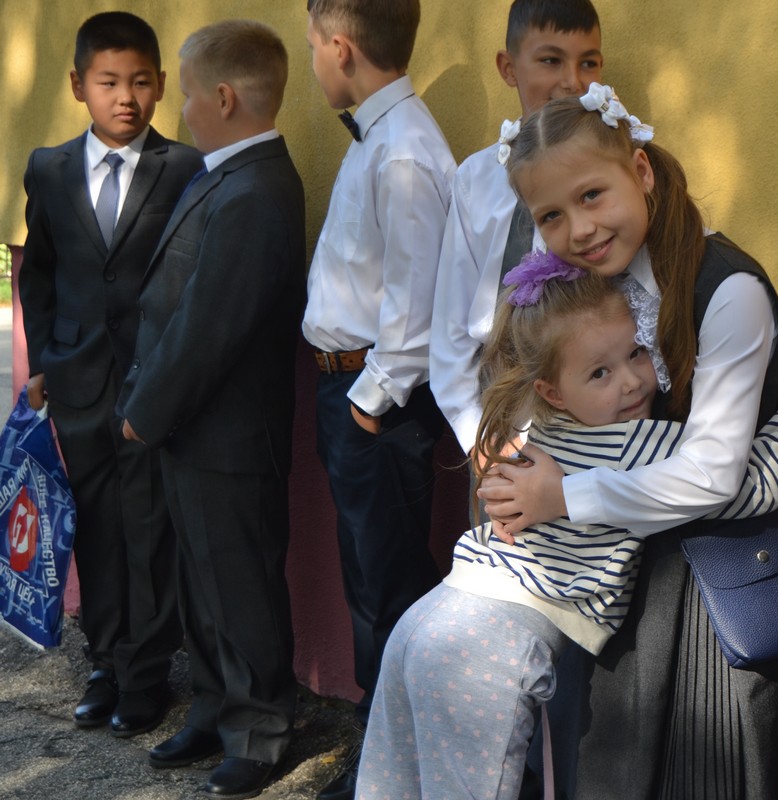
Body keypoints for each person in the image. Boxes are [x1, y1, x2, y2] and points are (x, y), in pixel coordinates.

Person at [479, 84, 778, 798]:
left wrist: (564, 496)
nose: (579, 229)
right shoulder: (581, 287)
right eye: (551, 215)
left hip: (714, 591)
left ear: (640, 171)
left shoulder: (725, 290)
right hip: (615, 587)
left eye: (592, 195)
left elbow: (712, 474)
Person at [359, 259, 778, 799]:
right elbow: (755, 485)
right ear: (553, 391)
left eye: (636, 352)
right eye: (600, 373)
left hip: (432, 618)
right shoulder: (637, 443)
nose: (630, 381)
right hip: (487, 646)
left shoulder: (541, 429)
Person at [115, 19, 305, 799]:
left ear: (224, 98)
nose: (181, 108)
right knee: (203, 582)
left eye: (188, 94)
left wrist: (147, 408)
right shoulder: (225, 175)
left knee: (238, 585)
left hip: (227, 436)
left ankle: (261, 728)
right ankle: (217, 705)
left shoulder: (256, 190)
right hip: (197, 432)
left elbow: (209, 326)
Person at [19, 11, 203, 737]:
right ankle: (105, 661)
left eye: (141, 82)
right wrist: (42, 361)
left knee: (148, 525)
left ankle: (147, 671)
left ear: (160, 85)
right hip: (77, 381)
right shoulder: (49, 168)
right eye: (108, 82)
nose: (125, 97)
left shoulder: (184, 169)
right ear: (78, 86)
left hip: (151, 383)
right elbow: (39, 272)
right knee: (95, 522)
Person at [301, 1, 457, 797]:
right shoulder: (379, 136)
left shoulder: (402, 151)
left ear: (341, 48)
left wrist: (369, 404)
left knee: (391, 586)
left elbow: (418, 302)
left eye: (312, 46)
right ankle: (383, 752)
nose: (312, 63)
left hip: (377, 401)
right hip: (352, 390)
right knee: (371, 578)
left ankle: (398, 766)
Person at [430, 0, 603, 458]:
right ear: (509, 68)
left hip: (592, 415)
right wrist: (476, 433)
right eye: (551, 60)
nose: (572, 81)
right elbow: (451, 325)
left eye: (588, 63)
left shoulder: (612, 178)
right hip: (496, 412)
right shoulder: (476, 179)